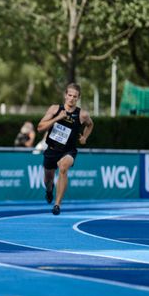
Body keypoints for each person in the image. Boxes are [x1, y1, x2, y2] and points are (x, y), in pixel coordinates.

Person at [37, 83, 93, 215]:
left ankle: (57, 205)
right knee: (48, 180)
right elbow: (40, 128)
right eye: (69, 95)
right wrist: (57, 118)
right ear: (65, 95)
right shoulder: (55, 109)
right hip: (51, 149)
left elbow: (90, 125)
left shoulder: (82, 114)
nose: (72, 98)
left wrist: (84, 137)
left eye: (75, 96)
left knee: (63, 167)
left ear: (78, 98)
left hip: (68, 151)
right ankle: (49, 190)